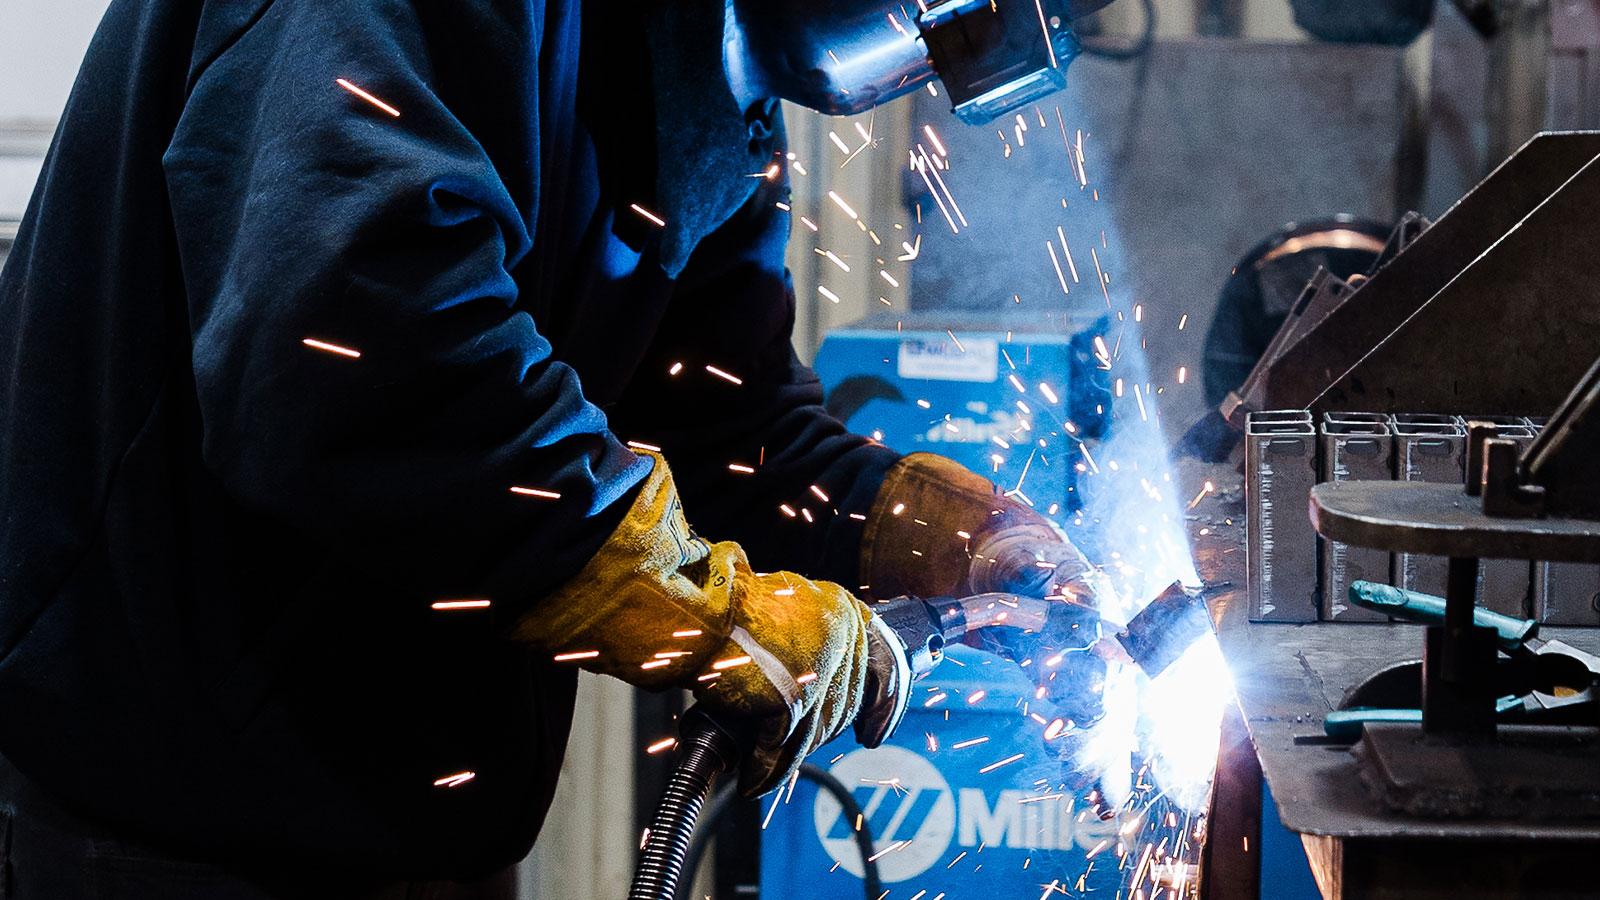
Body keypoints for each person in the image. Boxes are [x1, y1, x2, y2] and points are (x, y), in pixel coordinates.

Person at [0, 0, 1109, 896]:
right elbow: (356, 348)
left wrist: (936, 537)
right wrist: (705, 610)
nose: (932, 59)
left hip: (419, 806)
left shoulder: (699, 61)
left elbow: (716, 425)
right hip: (172, 808)